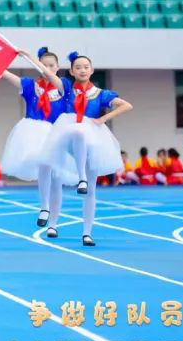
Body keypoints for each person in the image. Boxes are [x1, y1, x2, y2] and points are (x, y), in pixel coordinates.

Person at [41, 52, 133, 247]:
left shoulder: (100, 94)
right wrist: (27, 56)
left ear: (91, 70)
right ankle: (53, 224)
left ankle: (87, 233)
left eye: (86, 67)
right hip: (66, 137)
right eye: (78, 67)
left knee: (91, 190)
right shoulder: (66, 88)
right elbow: (47, 74)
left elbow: (127, 105)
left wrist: (103, 119)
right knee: (57, 178)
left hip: (93, 140)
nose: (82, 70)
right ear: (72, 72)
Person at [0, 47, 67, 227]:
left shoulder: (63, 85)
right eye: (44, 65)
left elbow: (52, 79)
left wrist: (29, 57)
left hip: (58, 132)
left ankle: (53, 223)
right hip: (36, 134)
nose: (47, 68)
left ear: (58, 67)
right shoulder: (30, 86)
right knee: (44, 168)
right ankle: (44, 207)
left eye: (51, 65)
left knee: (57, 178)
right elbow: (5, 74)